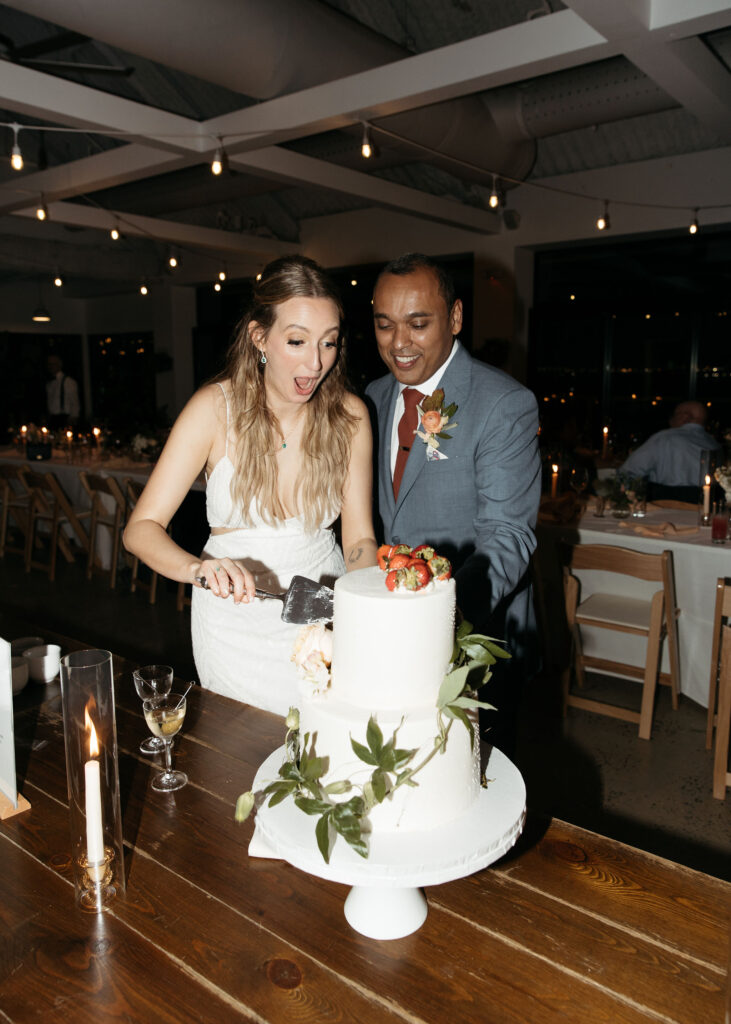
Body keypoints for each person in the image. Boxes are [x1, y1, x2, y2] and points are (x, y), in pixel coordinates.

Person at [124, 255, 377, 715]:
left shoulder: (351, 417)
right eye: (297, 341)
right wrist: (197, 570)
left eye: (329, 343)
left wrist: (364, 611)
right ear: (259, 337)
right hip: (233, 626)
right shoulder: (212, 410)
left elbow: (358, 537)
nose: (316, 363)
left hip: (321, 613)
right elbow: (140, 528)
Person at [365, 253, 541, 757]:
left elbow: (508, 538)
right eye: (385, 325)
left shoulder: (502, 403)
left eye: (418, 324)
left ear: (456, 318)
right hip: (389, 636)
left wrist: (440, 620)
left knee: (473, 780)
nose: (399, 343)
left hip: (476, 636)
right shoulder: (370, 400)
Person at [619, 400, 720, 500]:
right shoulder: (714, 443)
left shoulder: (665, 437)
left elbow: (629, 471)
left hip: (665, 504)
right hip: (705, 505)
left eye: (674, 415)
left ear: (685, 416)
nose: (671, 421)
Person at [46, 353, 80, 428]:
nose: (51, 367)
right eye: (49, 364)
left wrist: (73, 417)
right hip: (52, 419)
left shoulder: (68, 381)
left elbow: (74, 402)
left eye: (53, 364)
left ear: (60, 364)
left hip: (65, 419)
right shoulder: (49, 383)